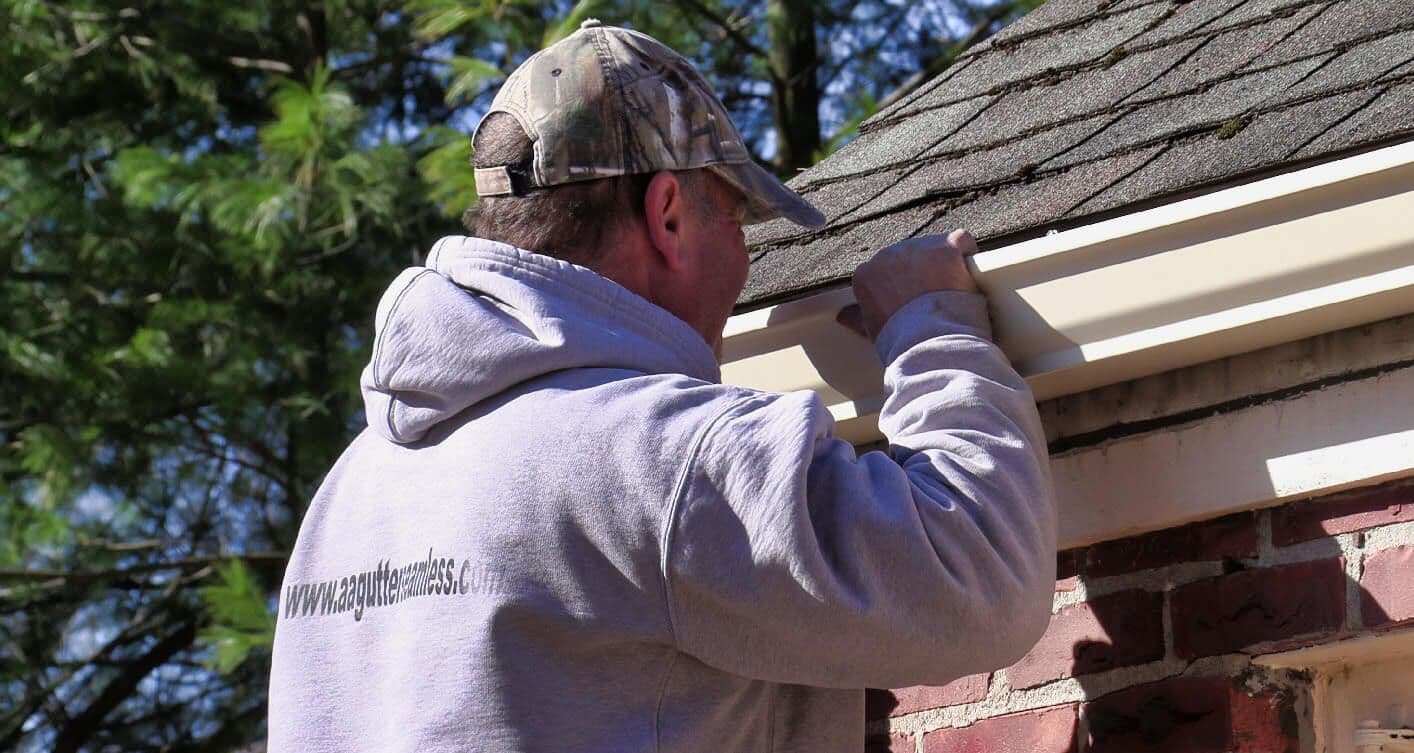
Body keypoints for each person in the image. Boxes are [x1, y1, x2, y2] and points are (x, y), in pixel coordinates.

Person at [268, 19, 1056, 753]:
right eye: (734, 221)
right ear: (669, 214)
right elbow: (978, 574)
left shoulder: (349, 498)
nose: (745, 263)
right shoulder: (655, 449)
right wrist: (935, 329)